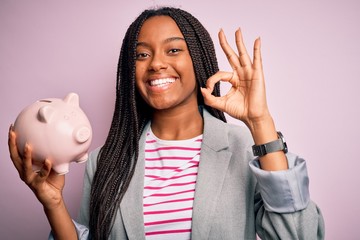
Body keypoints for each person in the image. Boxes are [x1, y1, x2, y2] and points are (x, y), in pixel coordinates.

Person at [8, 6, 325, 240]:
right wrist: (53, 204)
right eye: (141, 55)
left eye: (173, 50)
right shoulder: (104, 161)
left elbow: (300, 236)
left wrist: (260, 122)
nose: (156, 63)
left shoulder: (242, 147)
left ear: (198, 58)